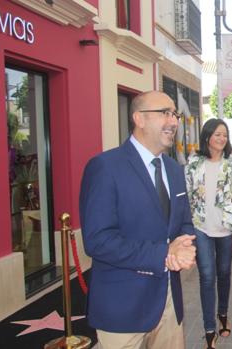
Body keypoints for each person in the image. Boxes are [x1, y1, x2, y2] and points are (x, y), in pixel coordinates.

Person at [79, 91, 196, 348]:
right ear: (139, 119)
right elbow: (98, 240)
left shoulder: (175, 170)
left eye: (174, 114)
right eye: (164, 113)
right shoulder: (105, 167)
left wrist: (184, 246)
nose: (174, 121)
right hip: (122, 306)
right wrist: (164, 253)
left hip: (168, 303)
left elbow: (183, 221)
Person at [185, 119, 232, 348]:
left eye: (225, 134)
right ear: (207, 136)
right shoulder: (193, 161)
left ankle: (223, 312)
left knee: (224, 273)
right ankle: (209, 328)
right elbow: (188, 196)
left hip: (226, 228)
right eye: (217, 134)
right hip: (200, 226)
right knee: (207, 276)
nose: (221, 138)